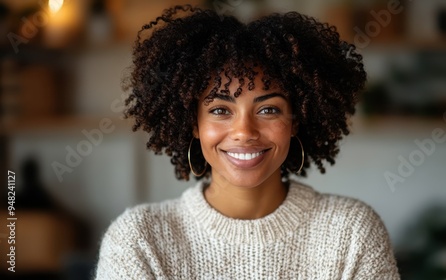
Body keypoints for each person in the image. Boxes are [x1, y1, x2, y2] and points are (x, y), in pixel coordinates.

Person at [94, 4, 400, 279]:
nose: (244, 131)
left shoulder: (351, 233)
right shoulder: (139, 239)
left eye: (268, 109)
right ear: (194, 124)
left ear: (295, 121)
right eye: (220, 110)